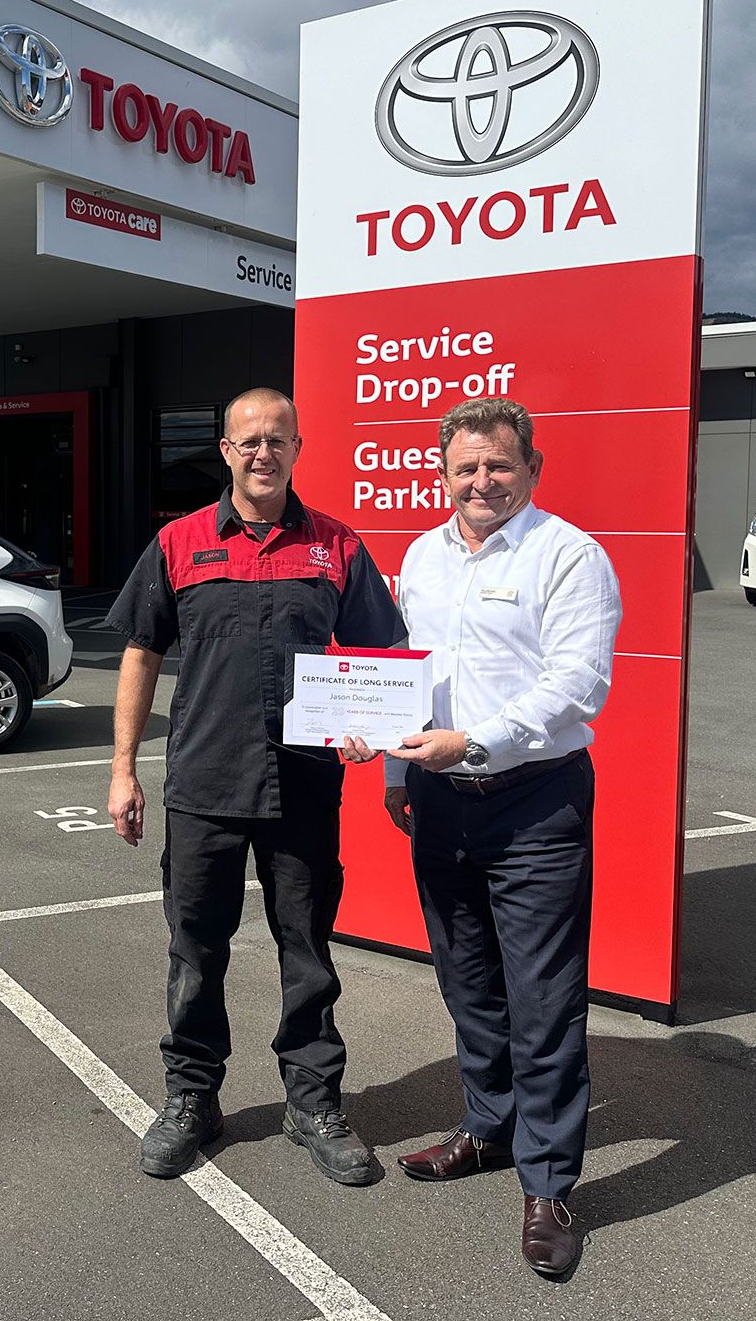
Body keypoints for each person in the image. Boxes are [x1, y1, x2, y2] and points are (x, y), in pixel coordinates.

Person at [106, 387, 405, 1185]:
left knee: (307, 954)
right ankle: (192, 1098)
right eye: (249, 441)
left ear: (298, 449)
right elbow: (140, 653)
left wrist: (373, 731)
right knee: (196, 954)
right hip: (203, 784)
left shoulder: (336, 546)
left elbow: (380, 658)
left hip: (303, 787)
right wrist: (122, 769)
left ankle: (313, 1103)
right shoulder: (179, 543)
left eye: (278, 440)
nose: (263, 453)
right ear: (226, 450)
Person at [365, 397, 621, 1278]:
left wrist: (473, 743)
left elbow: (576, 687)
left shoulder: (570, 556)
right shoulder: (421, 557)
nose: (482, 481)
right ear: (442, 473)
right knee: (468, 980)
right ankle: (488, 1129)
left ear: (531, 471)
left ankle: (549, 1185)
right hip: (439, 801)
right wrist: (400, 772)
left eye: (499, 466)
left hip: (535, 803)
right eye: (466, 467)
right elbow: (409, 676)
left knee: (544, 1002)